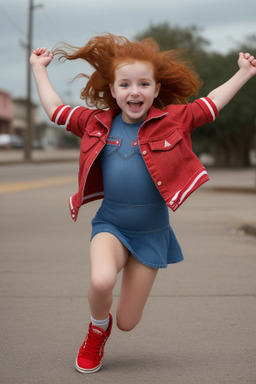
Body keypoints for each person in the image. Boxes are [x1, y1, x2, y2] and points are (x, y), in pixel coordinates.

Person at [30, 34, 256, 374]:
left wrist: (243, 72)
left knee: (126, 322)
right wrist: (38, 68)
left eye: (143, 84)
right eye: (125, 84)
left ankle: (109, 326)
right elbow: (55, 110)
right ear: (113, 89)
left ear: (155, 88)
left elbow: (210, 104)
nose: (134, 91)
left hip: (152, 234)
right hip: (111, 225)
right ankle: (95, 331)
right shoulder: (96, 123)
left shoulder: (173, 120)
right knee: (101, 281)